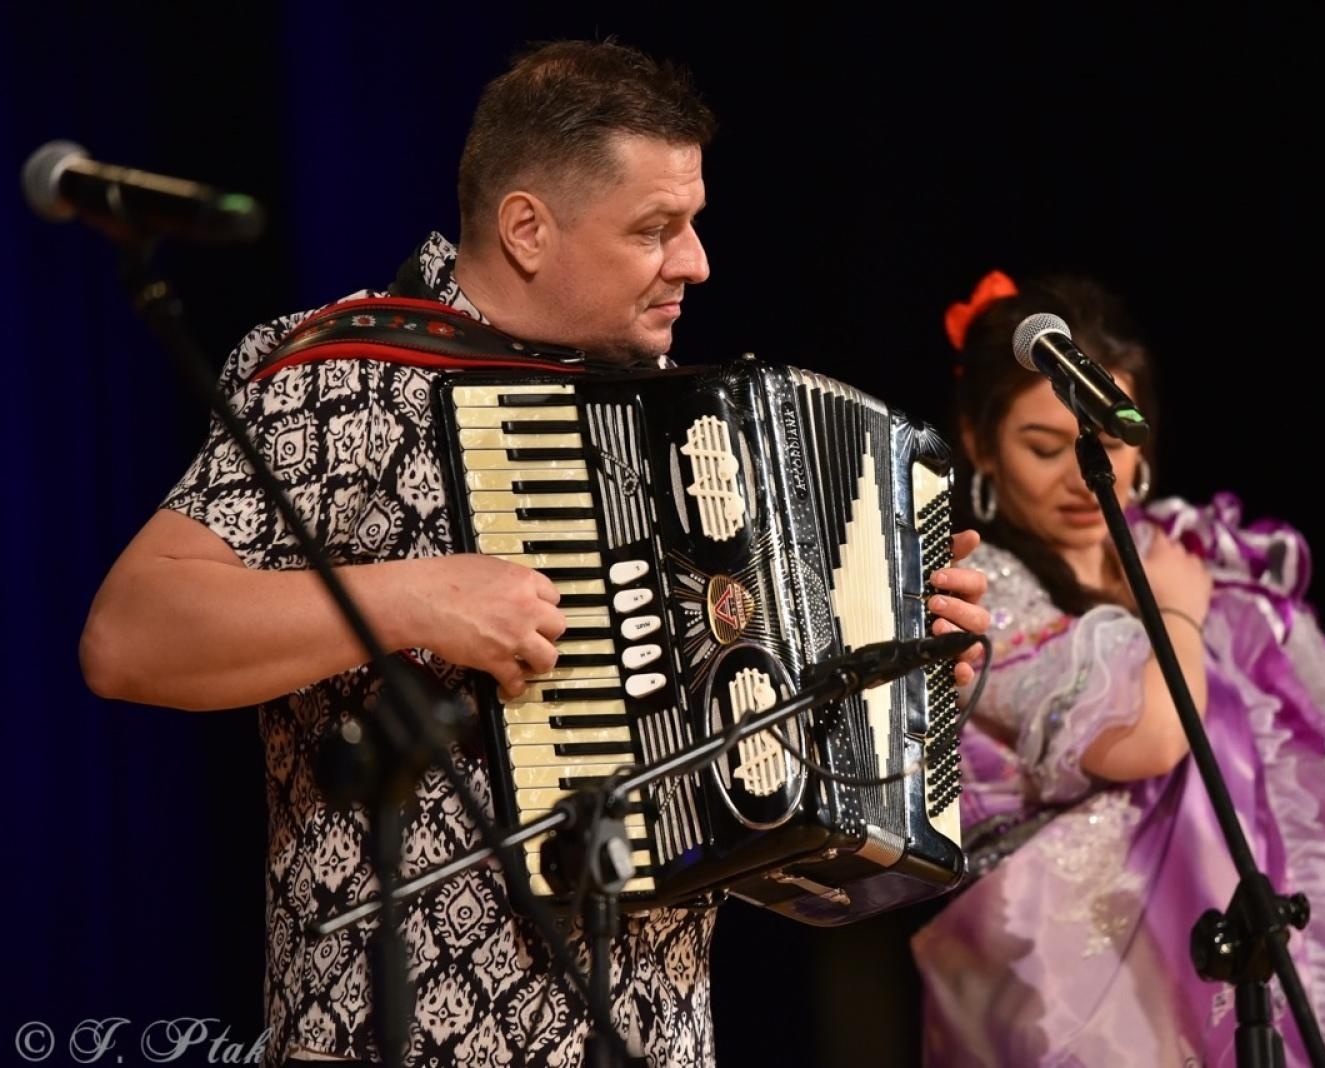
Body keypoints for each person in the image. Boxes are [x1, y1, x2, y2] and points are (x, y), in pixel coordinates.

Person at [78, 40, 989, 1067]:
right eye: (656, 229)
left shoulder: (690, 429)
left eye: (691, 224)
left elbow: (747, 819)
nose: (695, 261)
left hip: (651, 1039)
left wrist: (888, 692)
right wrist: (415, 599)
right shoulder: (336, 379)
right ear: (526, 228)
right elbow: (131, 635)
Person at [909, 269, 1325, 1066]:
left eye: (1114, 440)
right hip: (1072, 984)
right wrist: (1177, 613)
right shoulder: (989, 590)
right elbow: (1151, 736)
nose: (1087, 473)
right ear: (979, 444)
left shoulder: (1190, 551)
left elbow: (1324, 725)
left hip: (1230, 942)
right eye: (1042, 447)